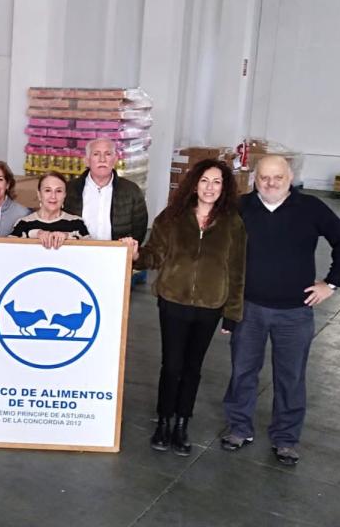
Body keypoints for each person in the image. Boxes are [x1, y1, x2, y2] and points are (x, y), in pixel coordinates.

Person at [221, 155, 340, 466]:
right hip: (249, 309)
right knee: (243, 371)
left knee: (290, 376)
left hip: (295, 313)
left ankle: (286, 438)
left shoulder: (310, 208)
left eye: (277, 177)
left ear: (290, 177)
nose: (270, 183)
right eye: (264, 177)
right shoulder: (240, 208)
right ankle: (239, 427)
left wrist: (331, 284)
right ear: (255, 178)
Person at [124, 159, 246, 456]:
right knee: (172, 365)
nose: (209, 188)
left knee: (193, 368)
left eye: (217, 182)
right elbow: (154, 255)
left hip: (210, 306)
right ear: (193, 184)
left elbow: (236, 270)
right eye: (204, 181)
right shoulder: (173, 217)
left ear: (225, 188)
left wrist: (232, 313)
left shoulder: (233, 223)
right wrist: (135, 254)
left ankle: (182, 423)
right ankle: (163, 421)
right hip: (173, 302)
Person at [64, 138, 148, 242]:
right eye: (96, 154)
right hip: (76, 253)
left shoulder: (131, 191)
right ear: (86, 161)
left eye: (108, 154)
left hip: (116, 254)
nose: (102, 159)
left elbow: (139, 229)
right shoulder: (69, 189)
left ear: (115, 160)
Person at [10, 171, 89, 248]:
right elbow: (7, 249)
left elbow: (92, 251)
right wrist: (35, 233)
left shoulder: (77, 223)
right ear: (39, 194)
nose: (53, 196)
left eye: (58, 191)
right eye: (47, 190)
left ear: (65, 195)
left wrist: (68, 236)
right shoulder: (23, 224)